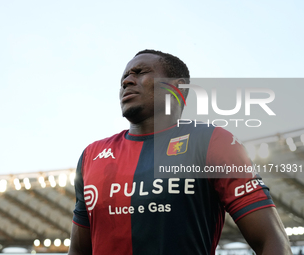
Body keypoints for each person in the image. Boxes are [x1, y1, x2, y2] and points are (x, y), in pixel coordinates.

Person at [68, 50, 292, 255]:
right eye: (124, 78)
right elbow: (78, 251)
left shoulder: (212, 141)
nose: (127, 81)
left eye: (140, 72)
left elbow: (272, 240)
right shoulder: (92, 156)